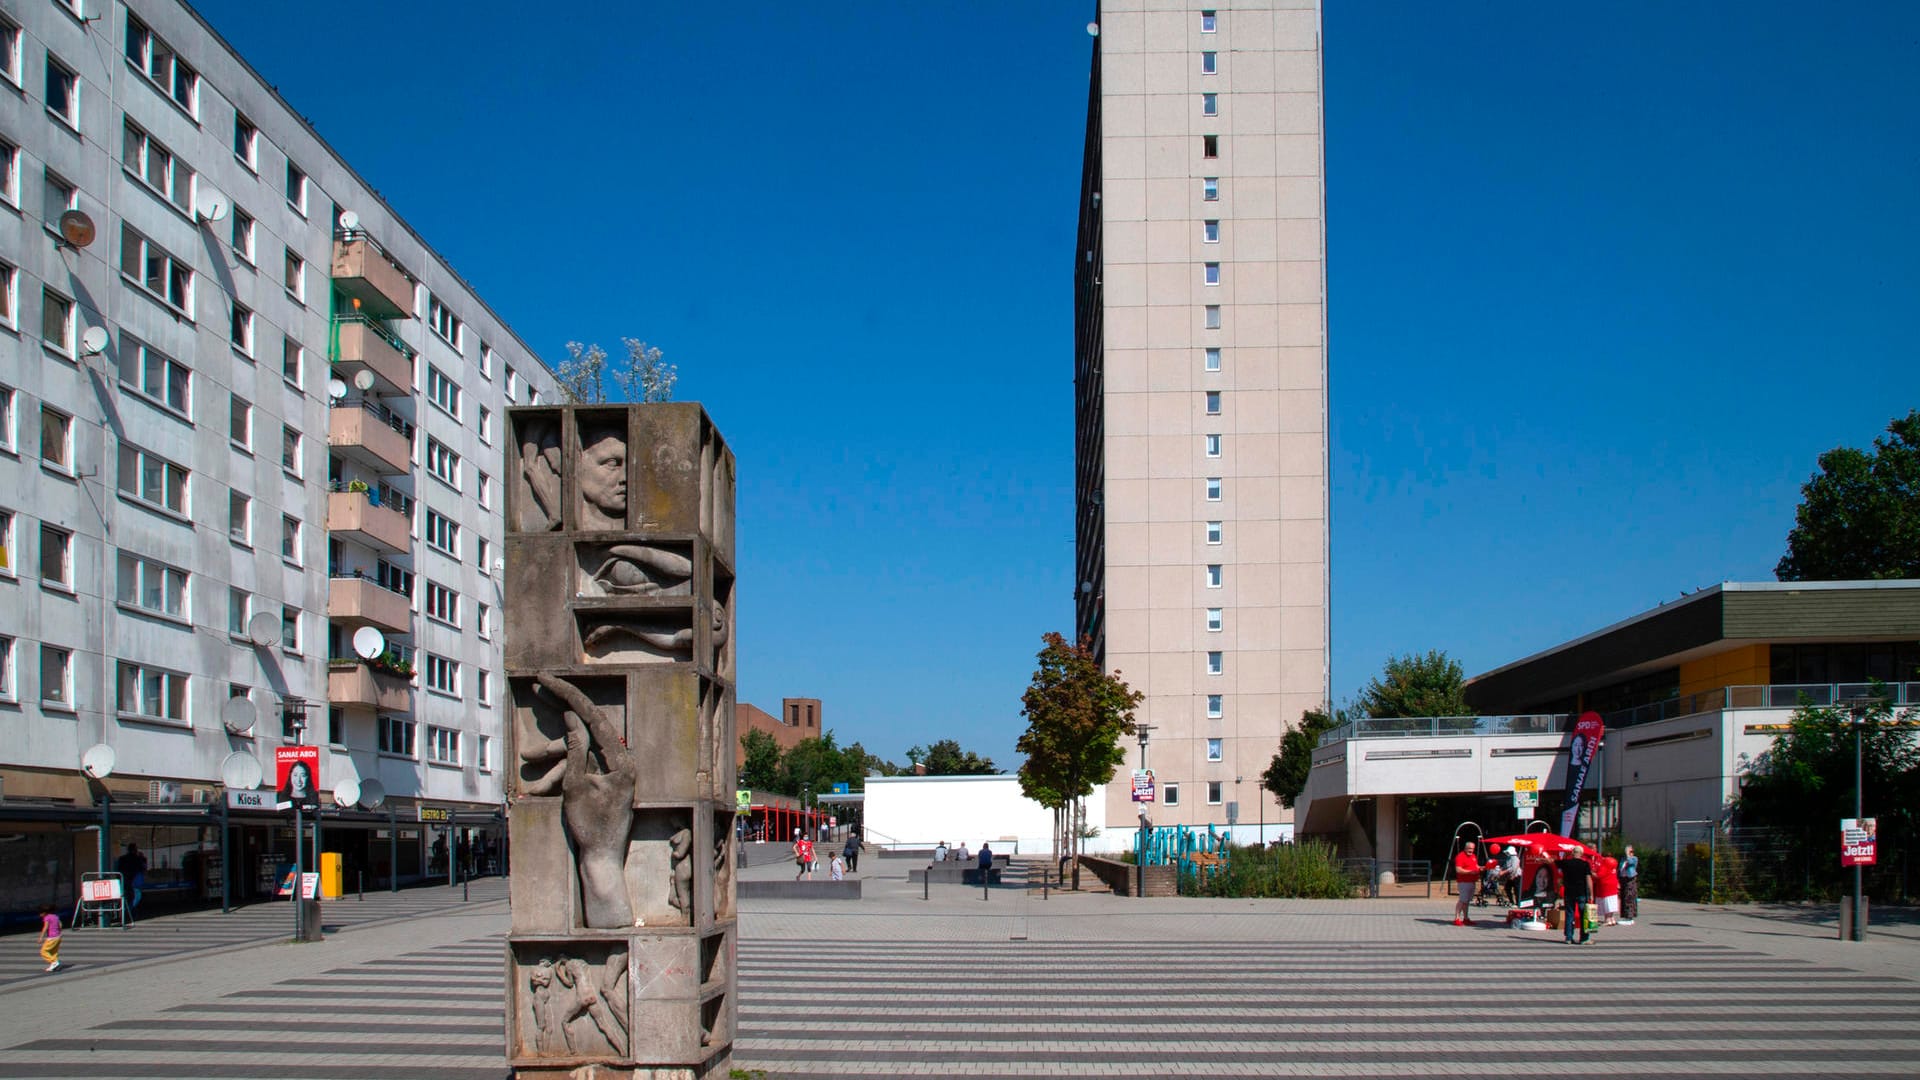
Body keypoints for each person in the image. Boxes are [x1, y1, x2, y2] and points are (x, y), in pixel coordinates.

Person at [1556, 849, 1595, 945]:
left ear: (1572, 853)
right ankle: (1584, 938)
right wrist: (1591, 894)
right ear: (1581, 854)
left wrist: (1566, 855)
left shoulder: (1566, 863)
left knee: (1569, 914)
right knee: (1584, 916)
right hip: (1582, 892)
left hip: (1569, 892)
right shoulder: (1585, 864)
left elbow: (1555, 862)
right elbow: (1589, 879)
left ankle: (1568, 937)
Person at [1451, 841, 1484, 926]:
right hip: (1464, 882)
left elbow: (1475, 866)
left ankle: (1466, 918)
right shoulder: (1460, 856)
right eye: (1469, 848)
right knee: (1462, 900)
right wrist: (1470, 872)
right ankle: (1456, 918)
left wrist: (1480, 867)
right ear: (1465, 848)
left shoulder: (1473, 856)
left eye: (1472, 849)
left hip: (1472, 882)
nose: (1471, 850)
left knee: (1467, 901)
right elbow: (1458, 869)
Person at [116, 842, 148, 918]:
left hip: (124, 881)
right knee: (136, 897)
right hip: (134, 881)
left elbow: (119, 869)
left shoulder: (122, 858)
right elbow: (143, 868)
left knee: (125, 897)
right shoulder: (138, 859)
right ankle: (129, 911)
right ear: (135, 849)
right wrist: (143, 858)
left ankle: (123, 913)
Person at [1596, 855, 1621, 926]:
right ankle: (1612, 918)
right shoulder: (1613, 866)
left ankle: (1607, 919)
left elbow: (1599, 875)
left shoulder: (1604, 866)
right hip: (1613, 885)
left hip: (1605, 886)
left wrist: (1591, 873)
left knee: (1607, 903)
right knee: (1612, 903)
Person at [38, 904, 62, 973]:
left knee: (43, 951)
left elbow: (45, 927)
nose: (39, 915)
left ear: (44, 913)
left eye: (40, 913)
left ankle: (54, 962)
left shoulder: (47, 918)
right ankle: (53, 965)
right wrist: (59, 932)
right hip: (58, 937)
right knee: (53, 952)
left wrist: (41, 937)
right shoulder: (56, 916)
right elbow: (60, 925)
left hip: (52, 938)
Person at [1619, 844, 1639, 924]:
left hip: (1630, 879)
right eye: (1628, 851)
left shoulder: (1634, 858)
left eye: (1631, 851)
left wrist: (1628, 854)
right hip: (1623, 879)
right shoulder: (1623, 859)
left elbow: (1631, 863)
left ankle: (1630, 917)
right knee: (1624, 897)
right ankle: (1625, 916)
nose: (1630, 853)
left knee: (1629, 896)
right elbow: (1620, 868)